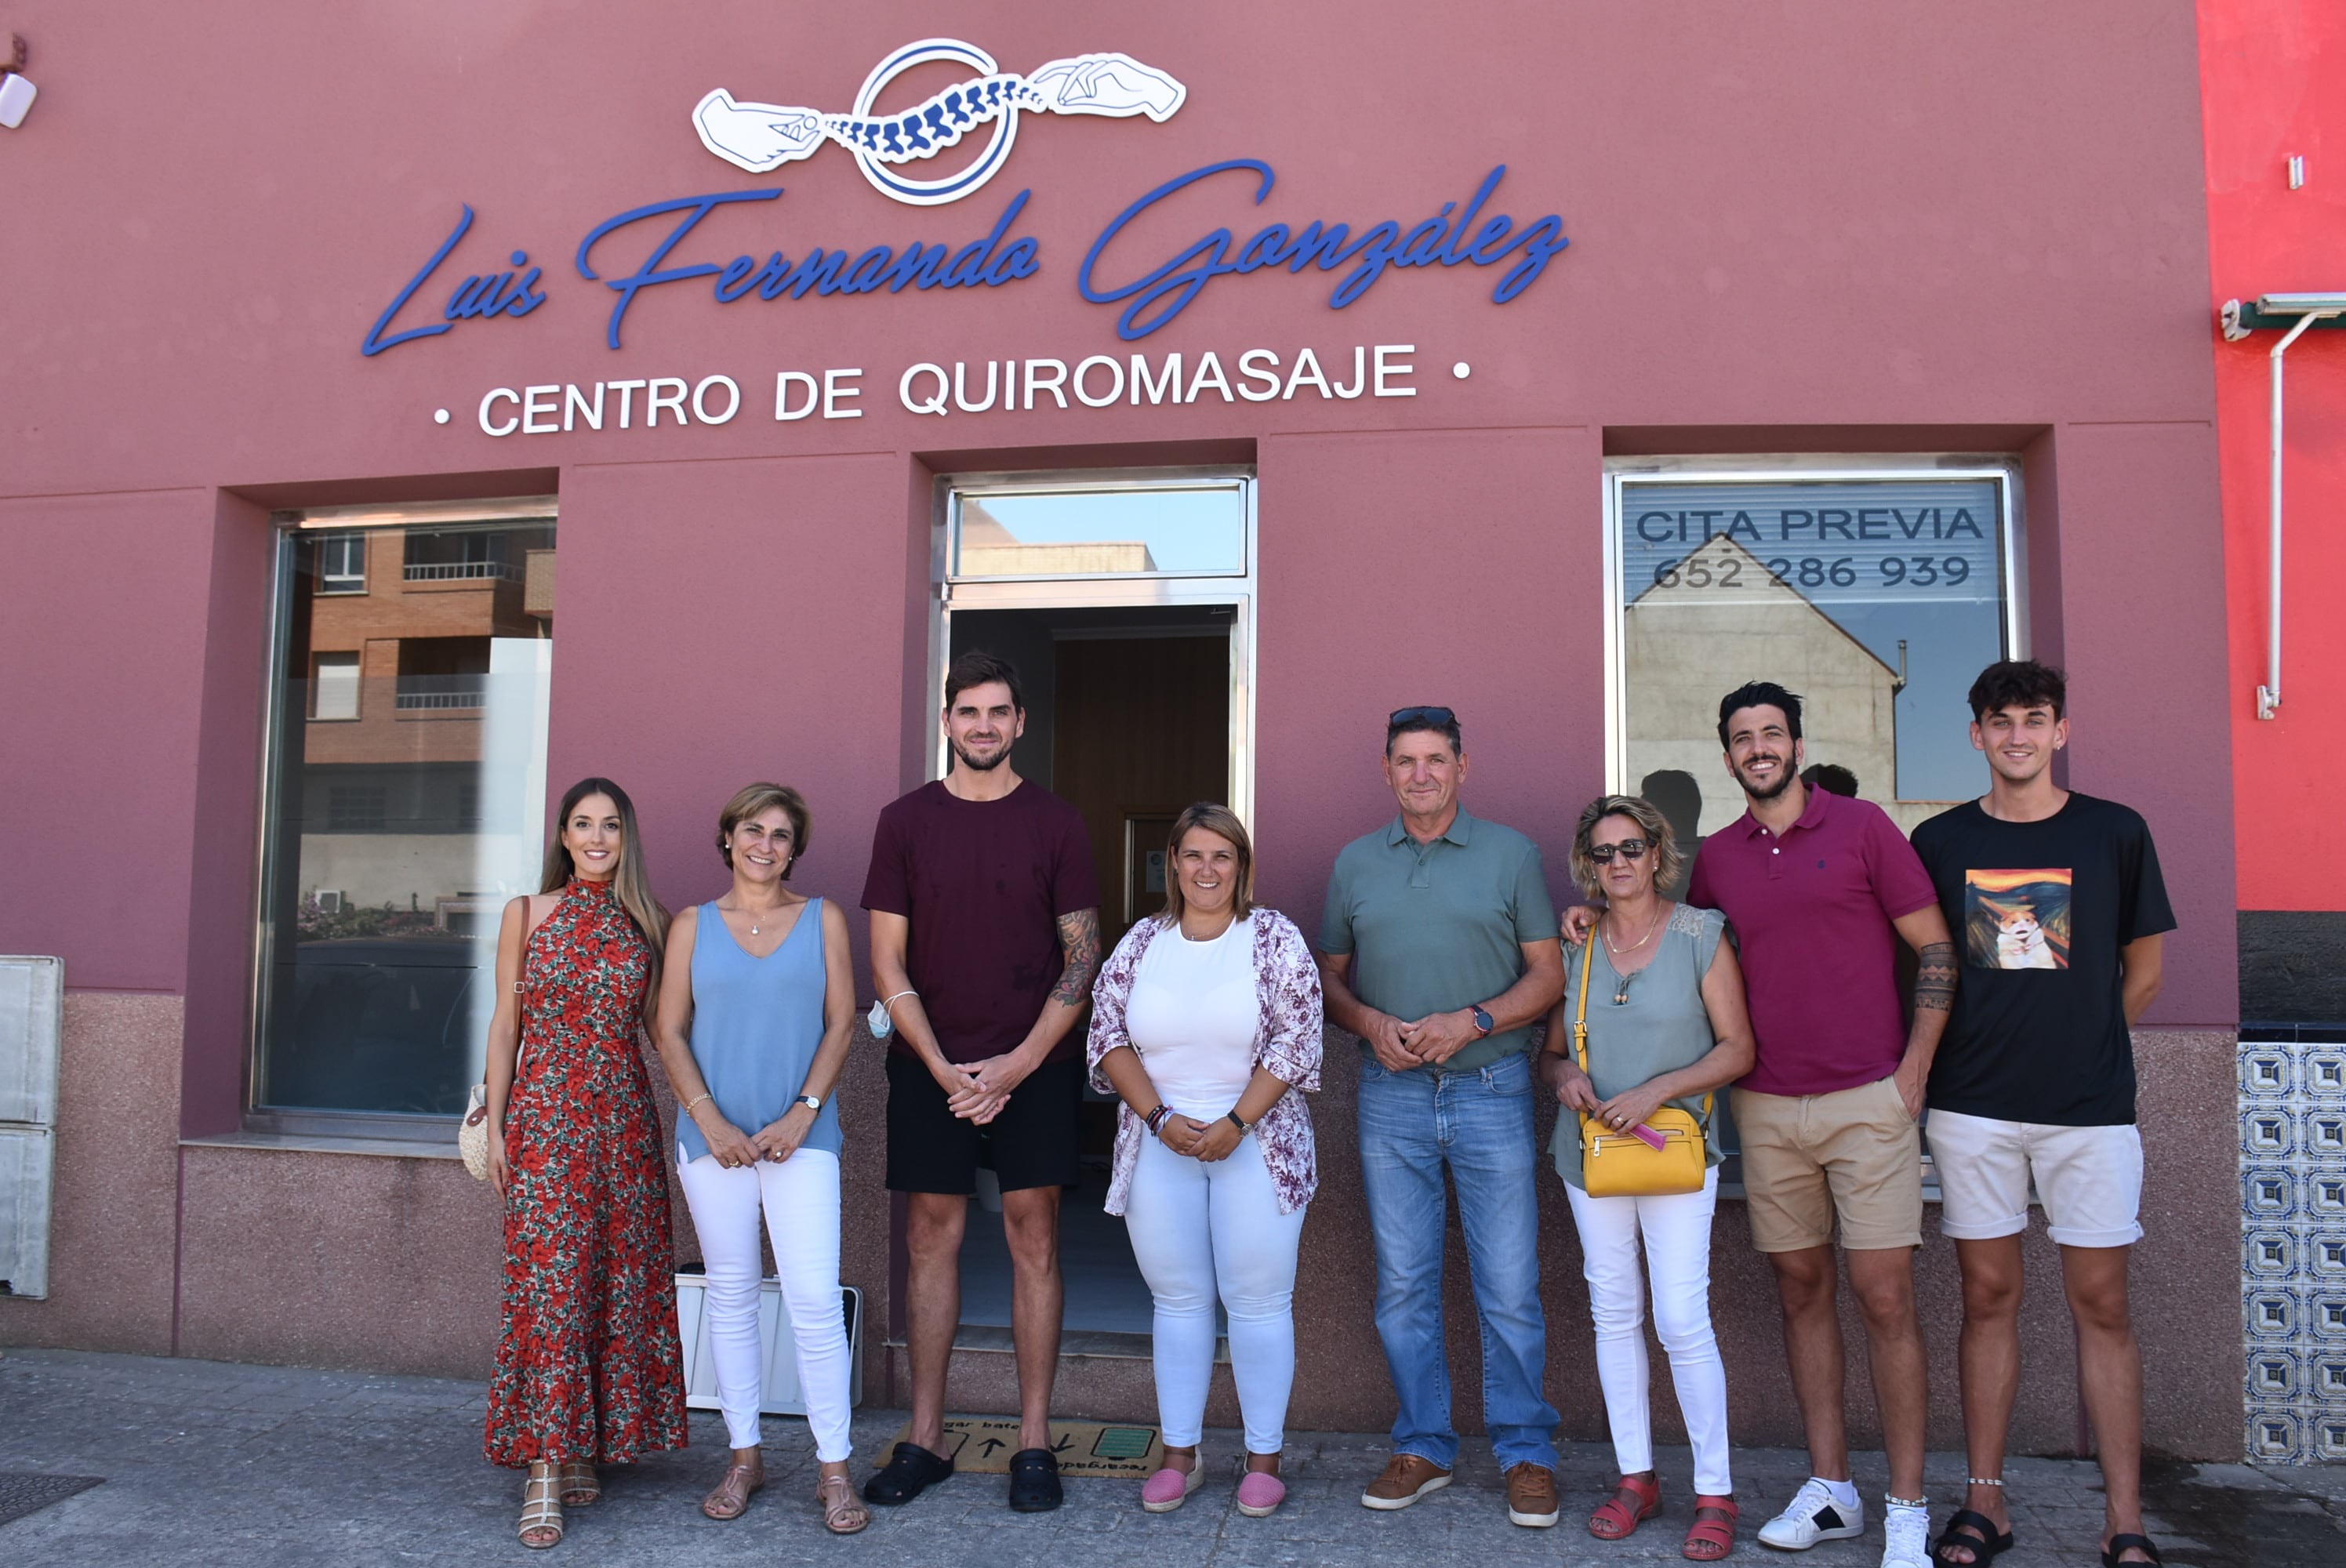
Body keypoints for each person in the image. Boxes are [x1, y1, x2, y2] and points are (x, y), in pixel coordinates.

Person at [1575, 684, 1955, 1568]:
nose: (1758, 749)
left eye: (1771, 734)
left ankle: (1905, 1506)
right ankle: (1832, 1490)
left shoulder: (1863, 828)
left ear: (1795, 742)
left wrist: (1912, 1074)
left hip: (1870, 1096)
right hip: (1766, 1105)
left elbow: (1934, 947)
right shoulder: (1717, 858)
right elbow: (1666, 931)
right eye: (1742, 738)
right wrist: (1591, 915)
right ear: (1727, 754)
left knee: (1885, 1297)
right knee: (1801, 1292)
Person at [1908, 662, 2171, 1568]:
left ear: (2060, 730)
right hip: (1972, 1110)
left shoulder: (2114, 832)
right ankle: (1986, 1504)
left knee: (2102, 1302)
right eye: (1999, 720)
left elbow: (2143, 967)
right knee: (1987, 1299)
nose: (2016, 733)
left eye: (2034, 717)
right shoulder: (1938, 841)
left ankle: (2124, 1519)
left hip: (2089, 1112)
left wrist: (2083, 1045)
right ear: (1974, 734)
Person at [861, 651, 1101, 1514]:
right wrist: (939, 1063)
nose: (984, 725)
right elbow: (886, 955)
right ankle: (924, 1435)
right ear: (948, 721)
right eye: (969, 711)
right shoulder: (904, 821)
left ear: (1020, 722)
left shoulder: (1057, 823)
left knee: (1035, 1238)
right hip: (930, 1061)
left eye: (999, 711)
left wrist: (1019, 1063)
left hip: (1034, 1061)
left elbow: (1082, 955)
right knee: (932, 1238)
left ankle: (1033, 1439)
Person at [1317, 706, 1567, 1528]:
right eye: (1404, 760)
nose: (1420, 773)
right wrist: (1367, 1025)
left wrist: (1476, 1020)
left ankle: (1526, 1452)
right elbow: (1329, 978)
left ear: (1463, 766)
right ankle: (1423, 1443)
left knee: (1508, 1288)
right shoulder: (1355, 862)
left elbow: (1547, 975)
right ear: (1385, 770)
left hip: (1490, 1086)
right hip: (1389, 1095)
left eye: (1435, 759)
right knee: (1403, 1287)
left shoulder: (1509, 854)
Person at [1088, 804, 1323, 1519]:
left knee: (1257, 1302)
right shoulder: (1143, 941)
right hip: (1162, 1140)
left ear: (1242, 865)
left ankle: (1262, 1460)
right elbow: (1106, 1034)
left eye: (1222, 856)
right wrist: (1159, 1118)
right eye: (1192, 856)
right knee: (1179, 1301)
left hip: (1256, 1138)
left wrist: (1235, 1122)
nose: (1207, 870)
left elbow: (1298, 1035)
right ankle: (1181, 1456)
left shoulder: (1273, 936)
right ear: (1173, 864)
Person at [1541, 794, 1754, 1562]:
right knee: (1613, 1309)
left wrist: (1653, 1091)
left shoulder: (1700, 933)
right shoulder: (1580, 942)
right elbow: (1552, 1050)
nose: (1619, 862)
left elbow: (1736, 1048)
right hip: (1590, 1154)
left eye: (1631, 847)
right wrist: (1564, 1073)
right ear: (1586, 864)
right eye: (1603, 852)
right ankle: (1636, 1476)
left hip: (1673, 1148)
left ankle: (1714, 1488)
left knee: (1680, 1316)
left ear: (1658, 853)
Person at [652, 784, 866, 1534]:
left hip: (801, 1139)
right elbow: (669, 1030)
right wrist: (708, 1120)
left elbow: (842, 1021)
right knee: (733, 1297)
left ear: (793, 849)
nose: (765, 845)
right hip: (713, 1144)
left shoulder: (822, 920)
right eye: (753, 830)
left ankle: (832, 1469)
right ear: (729, 837)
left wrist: (802, 1112)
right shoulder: (691, 925)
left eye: (780, 835)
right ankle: (745, 1457)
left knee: (811, 1302)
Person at [481, 778, 689, 1549]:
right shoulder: (526, 913)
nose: (596, 837)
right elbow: (506, 1024)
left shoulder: (650, 922)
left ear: (625, 836)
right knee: (549, 1287)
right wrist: (498, 1124)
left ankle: (581, 1445)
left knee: (609, 1280)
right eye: (582, 824)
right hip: (544, 1123)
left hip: (624, 1125)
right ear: (562, 835)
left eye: (609, 825)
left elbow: (665, 1032)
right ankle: (543, 1466)